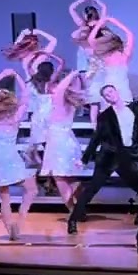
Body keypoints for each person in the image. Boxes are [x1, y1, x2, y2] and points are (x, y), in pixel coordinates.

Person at [67, 83, 138, 235]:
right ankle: (73, 219)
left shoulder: (134, 109)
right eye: (107, 95)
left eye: (111, 91)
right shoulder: (105, 116)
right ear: (105, 99)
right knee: (92, 188)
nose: (110, 95)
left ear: (116, 91)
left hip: (127, 155)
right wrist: (85, 159)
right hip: (109, 156)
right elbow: (96, 138)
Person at [0, 68, 38, 240]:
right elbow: (26, 96)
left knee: (4, 197)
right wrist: (16, 76)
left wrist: (1, 75)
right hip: (10, 156)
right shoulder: (16, 117)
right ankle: (19, 221)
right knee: (31, 189)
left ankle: (10, 229)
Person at [38, 70, 88, 209]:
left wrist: (73, 74)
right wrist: (77, 77)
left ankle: (73, 210)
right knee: (69, 177)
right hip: (68, 141)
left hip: (58, 143)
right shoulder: (70, 101)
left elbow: (60, 89)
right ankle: (80, 205)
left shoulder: (59, 100)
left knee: (59, 177)